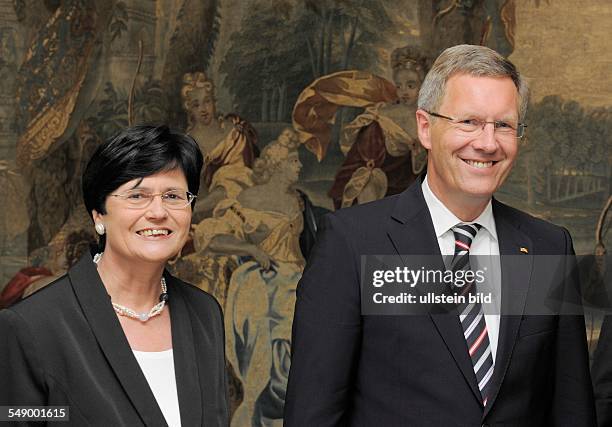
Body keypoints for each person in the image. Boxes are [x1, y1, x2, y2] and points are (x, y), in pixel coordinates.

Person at [284, 45, 596, 426]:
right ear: (425, 127)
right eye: (468, 122)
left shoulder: (549, 248)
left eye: (504, 125)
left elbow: (571, 408)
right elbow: (313, 414)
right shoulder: (352, 244)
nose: (487, 142)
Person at [0, 125, 229, 426]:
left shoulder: (204, 313)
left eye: (173, 196)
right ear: (99, 214)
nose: (158, 212)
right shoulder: (32, 326)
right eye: (137, 195)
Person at [194, 128, 304, 426]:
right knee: (273, 334)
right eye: (294, 161)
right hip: (268, 281)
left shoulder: (298, 199)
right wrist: (251, 249)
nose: (300, 166)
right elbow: (211, 236)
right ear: (279, 165)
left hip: (298, 279)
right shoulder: (250, 200)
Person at [328, 45, 428, 209]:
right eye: (399, 86)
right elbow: (362, 158)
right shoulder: (382, 116)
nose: (404, 91)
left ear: (422, 86)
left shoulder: (428, 118)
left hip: (410, 186)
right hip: (382, 183)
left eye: (410, 85)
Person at [181, 72, 259, 221]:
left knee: (229, 179)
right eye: (196, 105)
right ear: (189, 109)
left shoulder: (233, 132)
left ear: (214, 103)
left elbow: (243, 174)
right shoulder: (188, 143)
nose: (203, 109)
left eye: (207, 102)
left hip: (239, 197)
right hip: (206, 203)